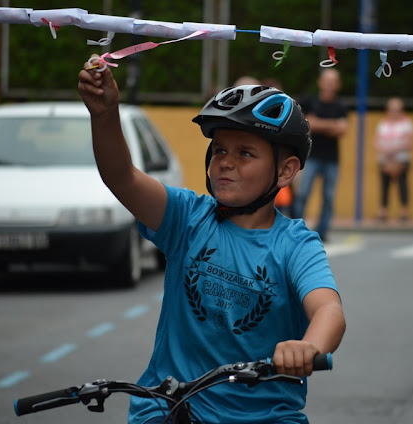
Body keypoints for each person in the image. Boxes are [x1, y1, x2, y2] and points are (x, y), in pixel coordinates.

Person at [78, 57, 346, 424]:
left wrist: (307, 347)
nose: (225, 162)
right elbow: (121, 177)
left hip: (263, 416)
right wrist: (105, 115)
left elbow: (328, 310)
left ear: (286, 171)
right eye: (219, 149)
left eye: (245, 153)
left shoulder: (296, 244)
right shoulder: (187, 217)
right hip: (168, 408)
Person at [291, 68, 348, 241]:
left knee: (328, 197)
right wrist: (331, 126)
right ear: (320, 82)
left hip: (332, 159)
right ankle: (296, 228)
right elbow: (307, 124)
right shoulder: (310, 102)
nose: (330, 85)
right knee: (302, 193)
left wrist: (318, 124)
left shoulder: (341, 106)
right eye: (327, 80)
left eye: (333, 81)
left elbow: (343, 129)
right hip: (311, 156)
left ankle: (322, 232)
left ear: (338, 85)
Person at [374, 97, 413, 222]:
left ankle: (404, 210)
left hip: (401, 159)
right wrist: (386, 151)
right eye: (392, 110)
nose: (394, 113)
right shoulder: (382, 124)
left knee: (402, 184)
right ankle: (383, 210)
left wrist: (393, 149)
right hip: (385, 159)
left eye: (397, 110)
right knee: (384, 185)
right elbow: (375, 142)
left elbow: (410, 142)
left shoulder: (407, 124)